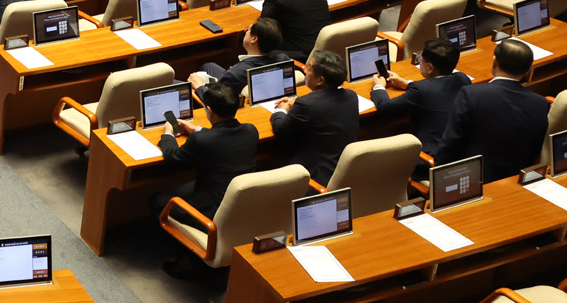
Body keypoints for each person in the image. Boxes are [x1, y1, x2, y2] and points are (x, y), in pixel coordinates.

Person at [159, 81, 259, 269]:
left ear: (209, 110)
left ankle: (189, 259)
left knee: (158, 201)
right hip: (241, 205)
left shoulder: (203, 140)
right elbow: (222, 137)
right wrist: (196, 129)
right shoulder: (251, 131)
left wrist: (168, 135)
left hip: (212, 210)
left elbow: (173, 158)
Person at [433, 39, 548, 179]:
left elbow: (451, 143)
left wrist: (438, 175)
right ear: (528, 70)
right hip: (513, 178)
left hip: (469, 179)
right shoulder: (541, 103)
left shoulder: (471, 94)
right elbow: (534, 153)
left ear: (495, 62)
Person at [369, 38, 469, 160]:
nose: (419, 63)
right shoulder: (463, 79)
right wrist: (406, 84)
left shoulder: (421, 90)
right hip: (462, 151)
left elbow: (386, 108)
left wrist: (378, 86)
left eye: (420, 60)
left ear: (430, 67)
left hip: (431, 158)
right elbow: (435, 89)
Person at [270, 48, 357, 185]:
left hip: (314, 174)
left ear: (319, 80)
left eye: (309, 68)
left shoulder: (307, 104)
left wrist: (280, 111)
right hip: (341, 166)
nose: (305, 70)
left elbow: (280, 129)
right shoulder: (352, 96)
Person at [190, 17, 285, 95]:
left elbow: (218, 103)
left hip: (228, 95)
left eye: (249, 29)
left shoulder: (235, 75)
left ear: (254, 39)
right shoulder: (283, 59)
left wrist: (199, 87)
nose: (245, 31)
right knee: (208, 66)